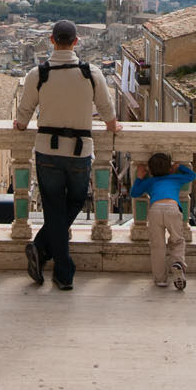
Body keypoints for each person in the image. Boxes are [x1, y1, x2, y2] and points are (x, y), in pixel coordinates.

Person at [12, 19, 117, 290]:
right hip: (80, 151)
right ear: (76, 41)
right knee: (77, 199)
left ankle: (45, 251)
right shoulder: (91, 72)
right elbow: (107, 109)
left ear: (51, 40)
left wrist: (21, 124)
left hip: (47, 150)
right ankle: (62, 269)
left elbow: (24, 112)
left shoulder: (39, 73)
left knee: (53, 206)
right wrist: (113, 125)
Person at [130, 152, 196, 290]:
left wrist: (140, 177)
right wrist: (178, 167)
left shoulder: (150, 181)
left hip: (155, 210)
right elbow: (192, 176)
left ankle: (160, 279)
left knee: (157, 245)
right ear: (169, 168)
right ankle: (178, 265)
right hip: (172, 208)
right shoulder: (175, 178)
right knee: (177, 240)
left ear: (151, 169)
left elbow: (134, 193)